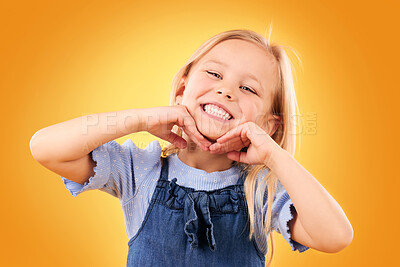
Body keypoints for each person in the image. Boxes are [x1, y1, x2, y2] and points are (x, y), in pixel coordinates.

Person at [30, 29, 353, 267]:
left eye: (247, 88)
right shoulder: (140, 170)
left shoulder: (263, 192)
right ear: (183, 89)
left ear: (269, 125)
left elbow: (336, 238)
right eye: (214, 73)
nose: (226, 90)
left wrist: (273, 155)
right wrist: (141, 119)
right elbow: (45, 148)